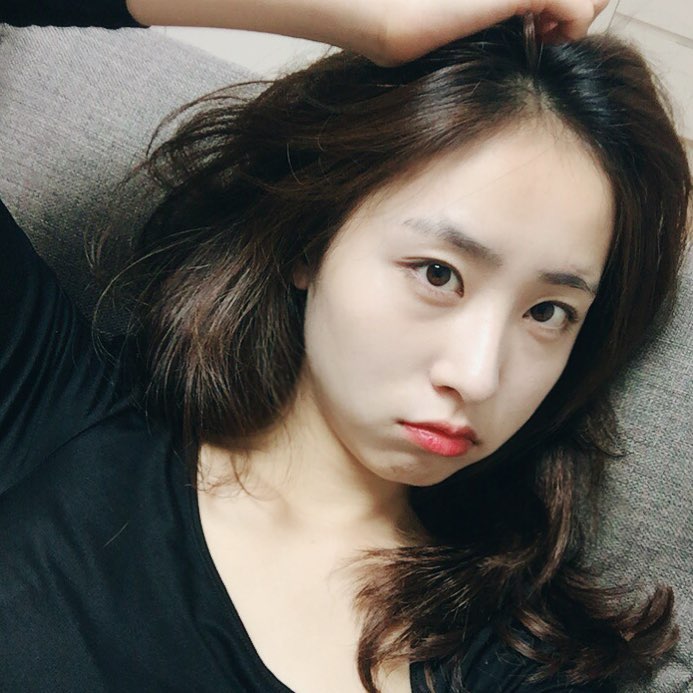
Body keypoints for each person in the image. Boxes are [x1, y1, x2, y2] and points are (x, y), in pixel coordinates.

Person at [0, 1, 689, 692]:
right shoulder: (57, 398)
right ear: (311, 238)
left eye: (547, 312)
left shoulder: (527, 667)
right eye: (438, 274)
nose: (478, 375)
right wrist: (365, 18)